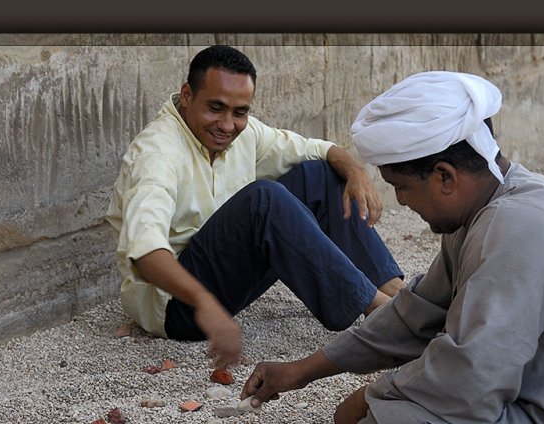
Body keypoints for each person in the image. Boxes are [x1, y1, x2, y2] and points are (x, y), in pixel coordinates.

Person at [241, 71, 544, 424]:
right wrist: (301, 370)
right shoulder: (488, 207)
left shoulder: (517, 227)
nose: (400, 201)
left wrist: (373, 395)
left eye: (401, 187)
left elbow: (472, 377)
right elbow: (415, 314)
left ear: (444, 177)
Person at [106, 45, 404, 369]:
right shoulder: (157, 153)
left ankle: (398, 294)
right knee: (264, 199)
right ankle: (381, 312)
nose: (227, 125)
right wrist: (204, 303)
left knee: (318, 172)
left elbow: (319, 150)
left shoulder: (243, 133)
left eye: (239, 112)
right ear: (187, 95)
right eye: (215, 108)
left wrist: (355, 171)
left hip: (220, 283)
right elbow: (144, 252)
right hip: (178, 308)